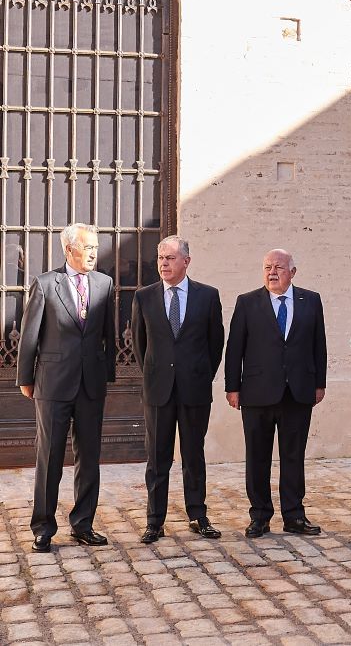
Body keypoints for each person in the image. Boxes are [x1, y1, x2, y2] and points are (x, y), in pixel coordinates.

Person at [17, 223, 116, 553]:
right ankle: (43, 527)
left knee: (89, 457)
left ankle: (83, 523)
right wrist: (26, 379)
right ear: (69, 250)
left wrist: (108, 374)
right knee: (50, 455)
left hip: (90, 384)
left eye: (95, 248)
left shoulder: (104, 284)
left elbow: (107, 334)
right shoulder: (45, 284)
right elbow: (30, 336)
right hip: (53, 384)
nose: (93, 254)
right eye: (87, 248)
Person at [225, 249, 327, 538]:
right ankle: (259, 516)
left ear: (292, 272)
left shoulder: (311, 301)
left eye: (279, 267)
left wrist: (319, 382)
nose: (272, 272)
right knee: (257, 457)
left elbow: (319, 344)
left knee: (293, 457)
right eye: (267, 267)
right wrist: (232, 387)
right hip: (256, 393)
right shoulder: (247, 303)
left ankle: (294, 516)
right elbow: (234, 348)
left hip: (298, 393)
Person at [130, 235, 225, 543]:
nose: (164, 263)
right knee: (157, 458)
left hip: (194, 390)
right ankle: (154, 521)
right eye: (160, 258)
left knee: (193, 455)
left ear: (186, 261)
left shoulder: (208, 297)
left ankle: (198, 515)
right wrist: (155, 375)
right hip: (158, 390)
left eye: (170, 258)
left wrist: (199, 375)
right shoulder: (144, 297)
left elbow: (215, 345)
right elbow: (140, 345)